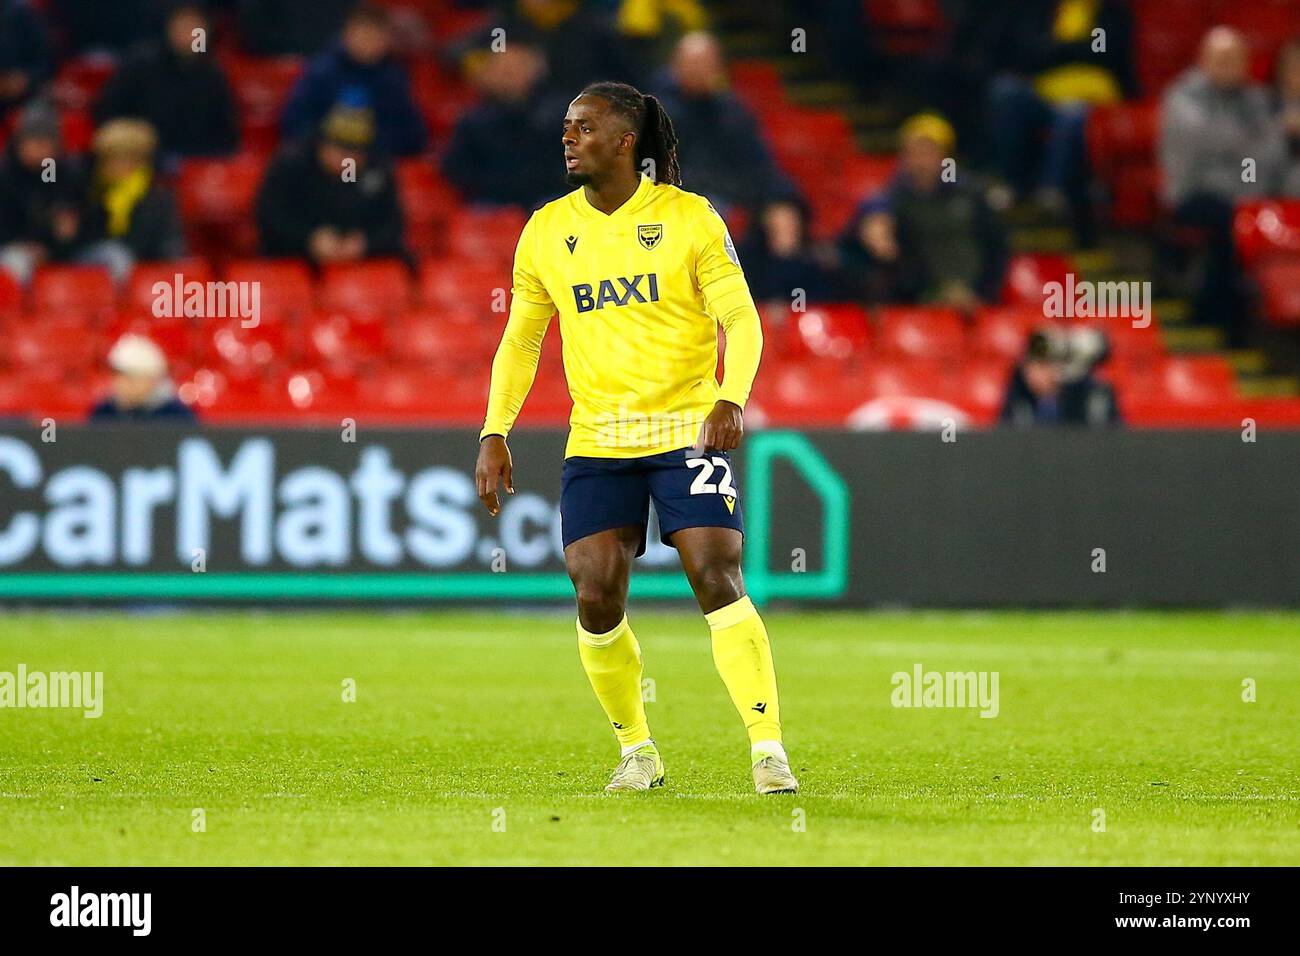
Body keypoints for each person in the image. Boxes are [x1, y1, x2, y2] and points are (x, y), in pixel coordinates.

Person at [475, 80, 798, 796]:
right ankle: (638, 751)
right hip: (597, 440)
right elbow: (521, 340)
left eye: (582, 127)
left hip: (686, 430)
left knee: (715, 573)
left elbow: (740, 321)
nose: (567, 137)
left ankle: (767, 750)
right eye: (565, 126)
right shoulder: (545, 231)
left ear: (625, 141)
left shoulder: (690, 219)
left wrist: (730, 397)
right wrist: (496, 428)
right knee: (595, 591)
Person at [1159, 27, 1286, 345]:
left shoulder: (1255, 99)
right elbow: (1207, 141)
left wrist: (1252, 159)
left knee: (1251, 216)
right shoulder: (1182, 97)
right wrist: (1256, 144)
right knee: (1234, 222)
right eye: (1222, 58)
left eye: (1236, 58)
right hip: (1192, 192)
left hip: (1247, 194)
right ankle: (1220, 321)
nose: (1231, 66)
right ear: (1203, 60)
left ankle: (1256, 314)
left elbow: (1269, 153)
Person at [840, 112, 1007, 307]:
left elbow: (997, 247)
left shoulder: (970, 195)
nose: (921, 161)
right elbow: (869, 219)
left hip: (976, 299)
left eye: (929, 152)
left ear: (945, 156)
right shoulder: (896, 198)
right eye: (914, 152)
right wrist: (871, 218)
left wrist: (983, 293)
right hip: (920, 300)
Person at [650, 31, 795, 214]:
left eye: (705, 63)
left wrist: (781, 199)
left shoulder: (732, 112)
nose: (699, 70)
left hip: (735, 202)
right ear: (675, 66)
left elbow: (759, 164)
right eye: (693, 63)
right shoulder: (656, 116)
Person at [256, 104, 407, 265]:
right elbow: (268, 216)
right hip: (293, 259)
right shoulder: (291, 164)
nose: (346, 161)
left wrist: (366, 242)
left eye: (355, 154)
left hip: (362, 262)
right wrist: (308, 239)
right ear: (322, 144)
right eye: (340, 151)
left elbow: (393, 223)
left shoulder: (376, 169)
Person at [94, 3, 240, 161]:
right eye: (182, 25)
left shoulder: (213, 76)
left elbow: (227, 137)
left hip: (195, 163)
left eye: (195, 27)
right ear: (168, 27)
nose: (188, 33)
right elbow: (107, 113)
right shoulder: (140, 66)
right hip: (142, 158)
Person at [279, 3, 428, 157]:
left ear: (387, 40)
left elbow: (413, 135)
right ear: (347, 34)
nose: (369, 44)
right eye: (364, 35)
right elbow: (295, 123)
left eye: (376, 37)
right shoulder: (320, 73)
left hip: (375, 164)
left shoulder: (394, 80)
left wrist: (367, 150)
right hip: (323, 163)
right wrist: (328, 148)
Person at [440, 44, 563, 209]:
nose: (507, 76)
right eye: (501, 69)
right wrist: (491, 184)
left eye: (514, 69)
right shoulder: (474, 121)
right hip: (494, 200)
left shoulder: (558, 115)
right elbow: (456, 167)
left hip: (546, 197)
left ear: (534, 72)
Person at [80, 118, 187, 281]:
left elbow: (169, 243)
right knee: (116, 256)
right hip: (94, 266)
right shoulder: (91, 192)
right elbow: (82, 240)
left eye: (121, 158)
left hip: (146, 270)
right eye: (109, 159)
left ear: (138, 161)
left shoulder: (157, 196)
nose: (113, 166)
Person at [0, 100, 90, 284]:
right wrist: (25, 245)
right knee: (16, 262)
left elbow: (79, 216)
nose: (38, 150)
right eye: (32, 142)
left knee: (110, 257)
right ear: (19, 143)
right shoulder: (6, 174)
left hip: (62, 251)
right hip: (13, 248)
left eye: (44, 143)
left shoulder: (59, 172)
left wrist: (70, 230)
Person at [999, 326, 1120, 427]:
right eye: (1032, 364)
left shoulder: (1091, 394)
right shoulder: (1018, 391)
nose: (1036, 373)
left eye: (1045, 364)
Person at [90, 334, 197, 423]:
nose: (122, 383)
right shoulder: (103, 413)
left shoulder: (176, 415)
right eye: (118, 376)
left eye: (131, 377)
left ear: (152, 380)